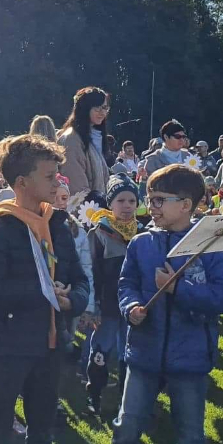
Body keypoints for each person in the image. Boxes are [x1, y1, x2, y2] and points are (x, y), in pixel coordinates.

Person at [108, 164, 223, 444]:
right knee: (126, 428)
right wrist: (131, 309)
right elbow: (126, 285)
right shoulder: (140, 243)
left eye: (158, 200)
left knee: (190, 436)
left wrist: (178, 290)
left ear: (186, 204)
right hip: (144, 352)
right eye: (149, 199)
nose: (149, 207)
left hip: (190, 358)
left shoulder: (208, 245)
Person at [0, 134, 89, 444]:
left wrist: (73, 301)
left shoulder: (59, 224)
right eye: (50, 177)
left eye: (58, 175)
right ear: (22, 183)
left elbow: (78, 278)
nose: (58, 182)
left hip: (52, 344)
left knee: (42, 422)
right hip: (12, 344)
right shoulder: (0, 231)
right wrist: (41, 293)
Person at [84, 175, 141, 419]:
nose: (127, 206)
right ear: (111, 204)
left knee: (129, 354)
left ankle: (126, 400)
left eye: (131, 200)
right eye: (121, 200)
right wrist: (91, 305)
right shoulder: (99, 234)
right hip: (107, 305)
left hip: (134, 308)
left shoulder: (143, 232)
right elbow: (90, 271)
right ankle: (93, 395)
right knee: (100, 352)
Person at [56, 86, 113, 196]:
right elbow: (76, 189)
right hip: (83, 209)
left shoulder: (93, 137)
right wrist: (94, 206)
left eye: (105, 107)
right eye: (97, 108)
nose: (102, 112)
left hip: (95, 207)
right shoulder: (71, 140)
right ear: (85, 108)